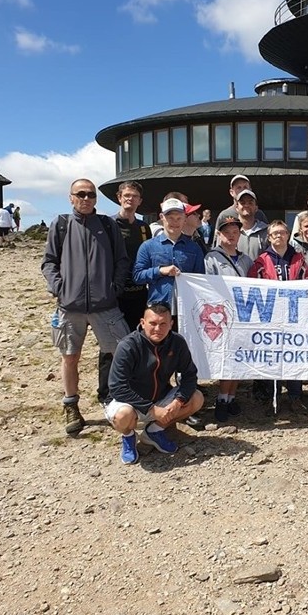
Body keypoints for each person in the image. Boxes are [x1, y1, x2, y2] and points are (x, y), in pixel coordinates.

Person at [41, 178, 131, 434]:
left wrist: (114, 288)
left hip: (106, 305)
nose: (86, 198)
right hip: (70, 307)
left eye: (90, 195)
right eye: (80, 194)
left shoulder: (107, 224)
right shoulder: (61, 225)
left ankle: (121, 400)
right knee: (70, 357)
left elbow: (121, 260)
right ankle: (71, 405)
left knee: (121, 352)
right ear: (71, 197)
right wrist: (59, 288)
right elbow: (49, 262)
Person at [106, 303, 205, 464]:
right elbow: (117, 387)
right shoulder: (128, 345)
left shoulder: (177, 342)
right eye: (152, 323)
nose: (158, 329)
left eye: (163, 324)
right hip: (129, 402)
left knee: (196, 398)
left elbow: (190, 375)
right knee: (123, 416)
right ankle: (128, 436)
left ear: (171, 324)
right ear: (143, 322)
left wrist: (178, 401)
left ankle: (154, 430)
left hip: (159, 397)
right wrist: (151, 409)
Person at [248, 220, 308, 413]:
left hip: (294, 317)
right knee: (271, 357)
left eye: (282, 232)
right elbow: (251, 287)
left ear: (288, 235)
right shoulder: (261, 261)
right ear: (269, 237)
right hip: (270, 318)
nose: (278, 235)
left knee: (294, 356)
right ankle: (271, 398)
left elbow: (307, 283)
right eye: (274, 233)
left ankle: (294, 397)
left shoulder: (299, 259)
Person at [204, 216, 254, 421]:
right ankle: (221, 399)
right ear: (218, 234)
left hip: (242, 315)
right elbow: (208, 286)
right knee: (226, 359)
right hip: (222, 316)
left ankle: (231, 397)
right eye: (227, 232)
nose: (231, 236)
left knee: (238, 358)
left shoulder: (245, 259)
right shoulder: (211, 258)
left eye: (235, 232)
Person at [133, 198, 206, 325]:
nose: (175, 222)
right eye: (170, 218)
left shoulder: (194, 248)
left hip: (187, 311)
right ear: (162, 217)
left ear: (185, 219)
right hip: (157, 310)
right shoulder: (148, 246)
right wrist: (160, 271)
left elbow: (201, 280)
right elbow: (137, 276)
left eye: (179, 218)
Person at [112, 181, 154, 331]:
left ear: (140, 201)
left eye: (135, 196)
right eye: (127, 195)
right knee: (113, 341)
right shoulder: (109, 224)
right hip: (116, 294)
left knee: (138, 335)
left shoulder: (143, 227)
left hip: (140, 292)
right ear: (119, 197)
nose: (130, 199)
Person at [233, 189, 269, 261]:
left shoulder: (267, 231)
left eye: (250, 203)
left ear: (256, 207)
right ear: (236, 207)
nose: (246, 205)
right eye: (242, 203)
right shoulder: (229, 231)